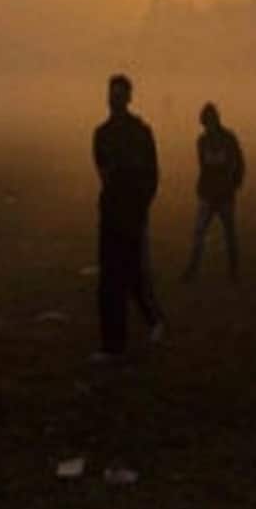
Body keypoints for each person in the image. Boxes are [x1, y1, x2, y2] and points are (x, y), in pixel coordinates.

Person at [93, 73, 166, 358]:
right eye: (112, 95)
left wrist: (140, 205)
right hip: (112, 213)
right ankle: (114, 343)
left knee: (130, 274)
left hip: (131, 214)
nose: (115, 100)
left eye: (119, 95)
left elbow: (151, 174)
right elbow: (104, 172)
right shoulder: (102, 134)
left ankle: (142, 326)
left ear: (128, 98)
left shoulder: (140, 133)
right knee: (111, 278)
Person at [183, 102, 246, 282]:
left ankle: (231, 271)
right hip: (211, 193)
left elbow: (238, 163)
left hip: (221, 193)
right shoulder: (204, 141)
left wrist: (234, 184)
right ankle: (197, 270)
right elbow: (205, 167)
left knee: (224, 233)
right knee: (207, 232)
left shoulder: (223, 139)